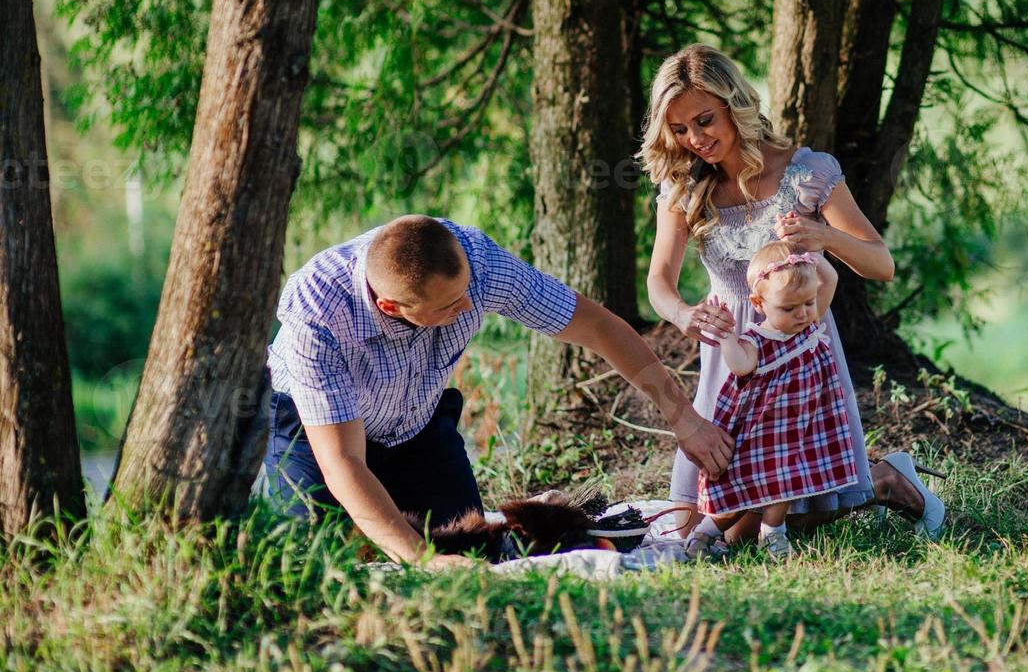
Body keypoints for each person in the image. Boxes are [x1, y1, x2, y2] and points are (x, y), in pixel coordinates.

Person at [262, 214, 733, 570]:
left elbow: (596, 328)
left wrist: (684, 420)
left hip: (415, 423)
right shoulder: (317, 310)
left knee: (476, 548)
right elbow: (342, 459)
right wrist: (421, 561)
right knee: (314, 554)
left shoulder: (475, 259)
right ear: (390, 306)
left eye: (467, 291)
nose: (469, 305)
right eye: (449, 306)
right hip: (314, 436)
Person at [641, 44, 945, 543]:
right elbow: (659, 283)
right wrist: (682, 314)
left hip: (797, 356)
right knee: (708, 527)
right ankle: (878, 479)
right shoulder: (684, 188)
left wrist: (824, 237)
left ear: (734, 105)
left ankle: (887, 480)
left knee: (761, 521)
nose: (695, 138)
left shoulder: (806, 173)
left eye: (704, 120)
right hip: (731, 357)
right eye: (679, 129)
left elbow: (881, 263)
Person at [686, 243, 858, 561]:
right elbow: (740, 365)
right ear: (759, 303)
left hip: (798, 428)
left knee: (786, 482)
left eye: (808, 302)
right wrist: (727, 337)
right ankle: (704, 533)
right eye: (789, 308)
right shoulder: (756, 340)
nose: (803, 313)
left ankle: (773, 534)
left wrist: (810, 251)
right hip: (760, 433)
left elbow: (830, 279)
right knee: (740, 494)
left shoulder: (808, 326)